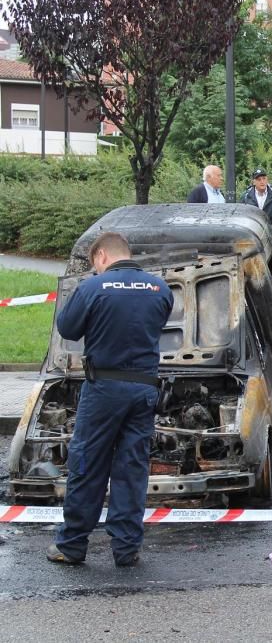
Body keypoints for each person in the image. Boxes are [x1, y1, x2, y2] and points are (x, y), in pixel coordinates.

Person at [46, 232, 173, 567]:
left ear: (101, 255)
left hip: (104, 388)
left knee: (87, 463)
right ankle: (126, 549)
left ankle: (72, 545)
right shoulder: (159, 288)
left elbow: (68, 329)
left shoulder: (91, 287)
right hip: (144, 389)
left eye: (94, 263)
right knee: (132, 467)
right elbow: (157, 325)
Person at [241, 168, 272, 237]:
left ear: (267, 180)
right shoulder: (246, 197)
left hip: (271, 237)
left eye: (264, 178)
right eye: (259, 179)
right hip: (252, 237)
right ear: (254, 182)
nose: (262, 181)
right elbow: (242, 218)